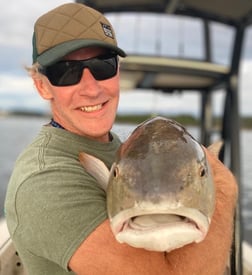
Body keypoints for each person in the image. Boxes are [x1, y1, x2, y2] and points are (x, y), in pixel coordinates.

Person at [4, 2, 237, 275]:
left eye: (103, 65)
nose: (91, 88)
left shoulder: (118, 148)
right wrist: (225, 188)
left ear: (117, 72)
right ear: (42, 85)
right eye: (65, 72)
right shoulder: (42, 181)